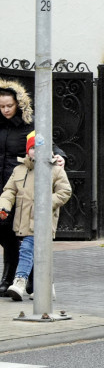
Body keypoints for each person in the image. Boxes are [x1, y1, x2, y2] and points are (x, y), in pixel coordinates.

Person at [0, 131, 71, 300]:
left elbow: (65, 192)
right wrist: (4, 206)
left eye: (40, 148)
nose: (36, 151)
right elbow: (9, 191)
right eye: (32, 148)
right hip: (23, 221)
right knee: (39, 254)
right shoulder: (19, 170)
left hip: (43, 221)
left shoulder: (55, 171)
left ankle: (19, 282)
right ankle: (46, 287)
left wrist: (46, 202)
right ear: (27, 150)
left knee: (26, 249)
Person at [0, 79, 34, 295]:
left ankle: (20, 277)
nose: (5, 110)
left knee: (17, 234)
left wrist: (61, 157)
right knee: (3, 233)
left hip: (17, 188)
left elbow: (44, 145)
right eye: (1, 106)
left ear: (18, 104)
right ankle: (13, 275)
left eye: (9, 106)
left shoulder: (27, 126)